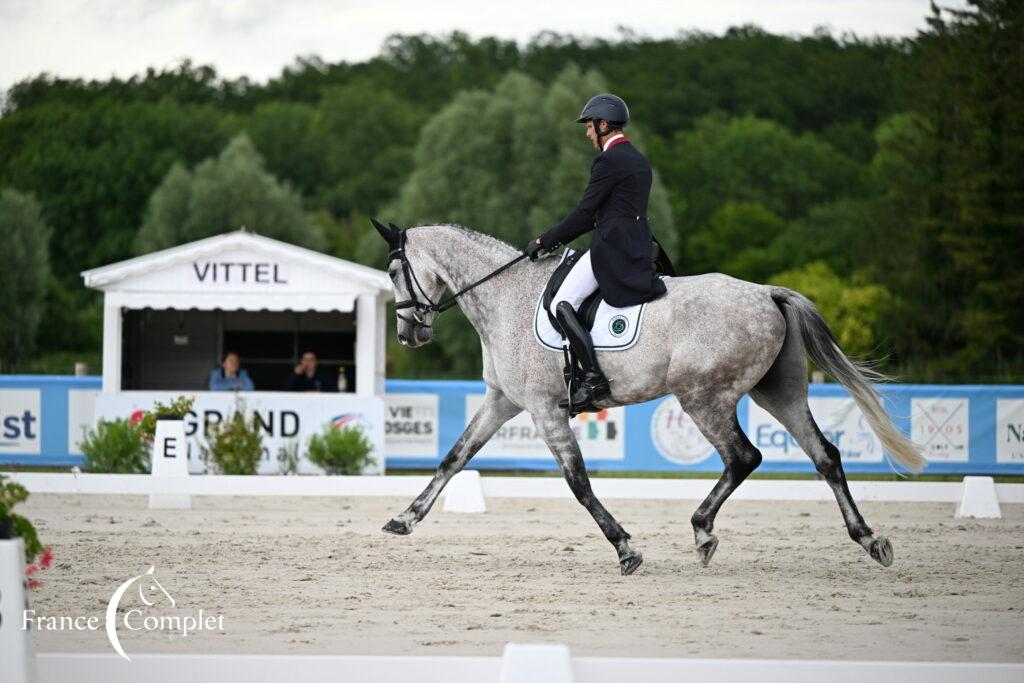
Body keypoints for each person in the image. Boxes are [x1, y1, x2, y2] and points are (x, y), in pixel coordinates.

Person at [524, 93, 667, 411]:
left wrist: (544, 241)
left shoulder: (609, 160)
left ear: (604, 125)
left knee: (562, 302)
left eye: (590, 126)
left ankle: (592, 377)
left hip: (613, 249)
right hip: (640, 246)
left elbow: (586, 214)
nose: (588, 133)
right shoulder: (639, 159)